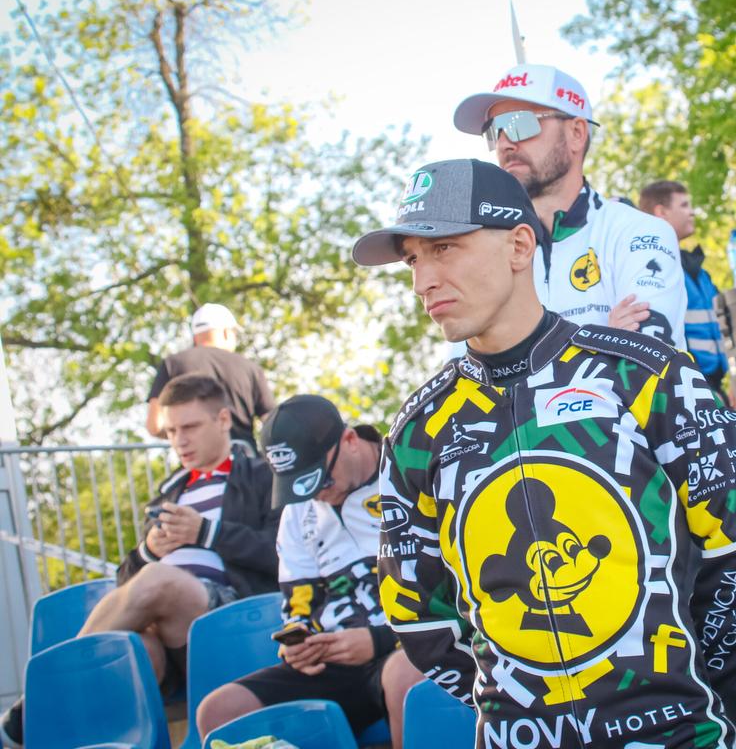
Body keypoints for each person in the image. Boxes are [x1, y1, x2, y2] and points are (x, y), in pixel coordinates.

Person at [354, 158, 736, 748]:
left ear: (519, 246)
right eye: (412, 260)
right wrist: (532, 705)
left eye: (443, 249)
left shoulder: (645, 375)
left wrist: (671, 683)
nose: (422, 280)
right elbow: (419, 613)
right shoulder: (416, 431)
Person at [1, 373, 279, 748]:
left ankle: (35, 703)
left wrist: (205, 533)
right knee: (135, 647)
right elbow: (125, 584)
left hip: (231, 614)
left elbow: (281, 553)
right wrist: (149, 550)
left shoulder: (262, 476)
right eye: (171, 431)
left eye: (190, 427)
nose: (179, 440)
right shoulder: (169, 492)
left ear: (223, 420)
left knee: (158, 580)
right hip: (165, 629)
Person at [196, 395, 423, 745]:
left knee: (403, 675)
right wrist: (297, 641)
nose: (315, 495)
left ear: (350, 440)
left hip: (409, 646)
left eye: (321, 480)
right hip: (333, 663)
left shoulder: (412, 474)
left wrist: (380, 640)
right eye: (299, 484)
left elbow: (452, 590)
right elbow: (298, 600)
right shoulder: (298, 510)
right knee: (220, 710)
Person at [452, 63, 687, 349]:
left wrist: (519, 362)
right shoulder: (489, 256)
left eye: (519, 123)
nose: (504, 143)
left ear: (576, 133)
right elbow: (465, 372)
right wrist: (604, 341)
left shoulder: (640, 231)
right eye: (494, 130)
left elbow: (644, 362)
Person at [639, 180, 729, 392]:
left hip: (716, 384)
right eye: (684, 205)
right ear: (661, 212)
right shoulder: (652, 269)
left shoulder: (698, 271)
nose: (692, 212)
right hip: (686, 386)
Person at [146, 303, 275, 450]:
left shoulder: (173, 364)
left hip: (196, 460)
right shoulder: (251, 368)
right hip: (245, 456)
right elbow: (272, 423)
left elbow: (155, 425)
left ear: (195, 336)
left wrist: (186, 433)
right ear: (226, 332)